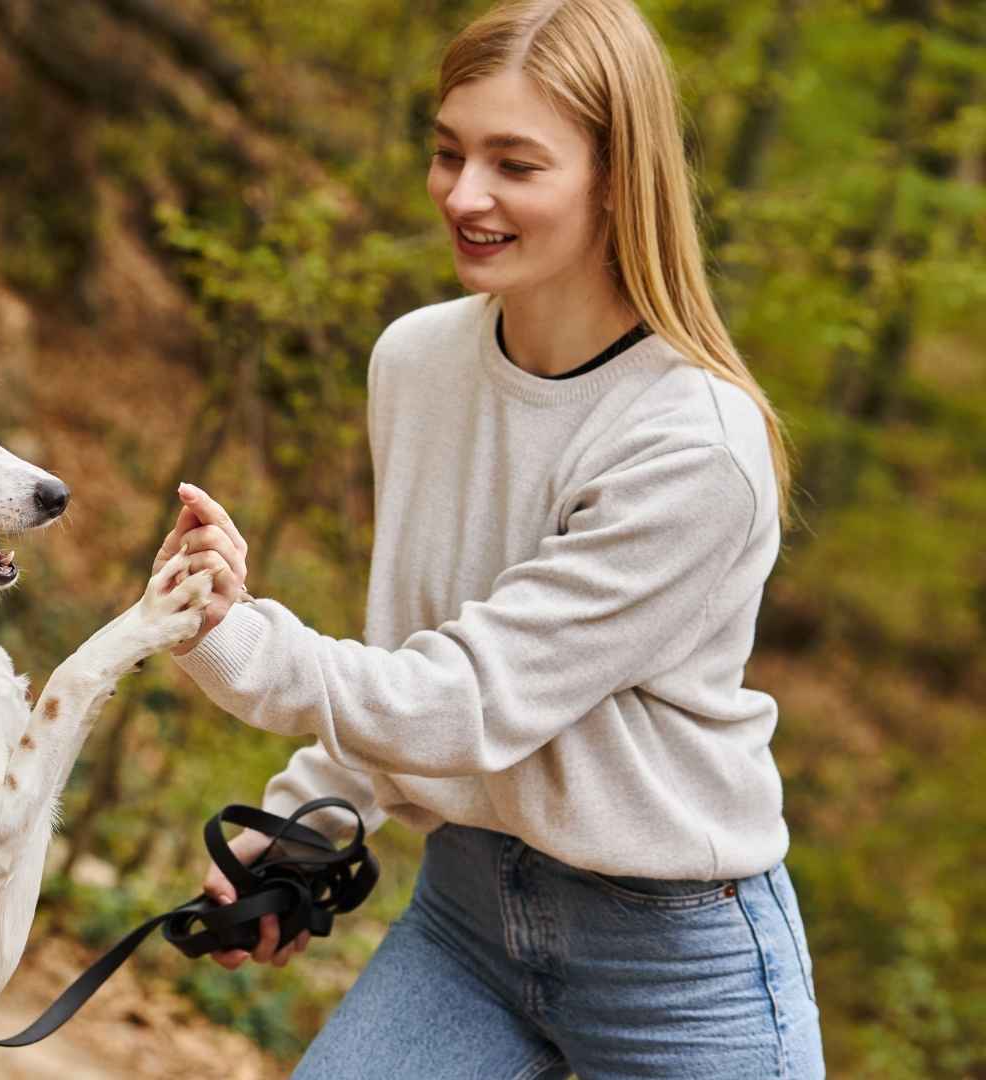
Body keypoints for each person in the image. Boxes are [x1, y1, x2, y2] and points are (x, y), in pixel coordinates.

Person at [153, 0, 824, 1076]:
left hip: (675, 966)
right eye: (448, 152)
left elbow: (465, 704)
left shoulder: (694, 444)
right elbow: (422, 638)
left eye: (516, 164)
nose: (465, 196)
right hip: (468, 921)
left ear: (618, 179)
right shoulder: (416, 362)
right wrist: (304, 823)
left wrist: (231, 636)